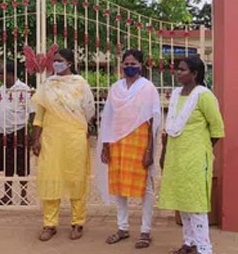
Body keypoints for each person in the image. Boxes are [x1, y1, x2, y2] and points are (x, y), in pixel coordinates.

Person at [159, 56, 224, 254]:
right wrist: (164, 153)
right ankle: (189, 244)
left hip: (195, 158)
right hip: (176, 156)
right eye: (177, 69)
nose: (177, 72)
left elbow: (217, 129)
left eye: (182, 69)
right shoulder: (176, 94)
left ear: (194, 74)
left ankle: (204, 249)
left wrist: (201, 149)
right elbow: (171, 127)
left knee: (196, 204)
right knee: (182, 201)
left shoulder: (204, 96)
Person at [97, 49, 161, 249]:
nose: (129, 67)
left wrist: (150, 150)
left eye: (133, 64)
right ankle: (122, 227)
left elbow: (153, 120)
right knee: (119, 186)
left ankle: (145, 231)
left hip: (140, 141)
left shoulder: (148, 88)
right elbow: (108, 117)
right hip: (117, 141)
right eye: (126, 64)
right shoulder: (115, 88)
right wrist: (105, 145)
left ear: (141, 65)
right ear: (121, 65)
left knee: (145, 187)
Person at [31, 48, 95, 242]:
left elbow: (89, 111)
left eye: (59, 60)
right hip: (51, 139)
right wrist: (36, 139)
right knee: (50, 179)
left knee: (77, 180)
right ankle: (49, 224)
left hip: (74, 138)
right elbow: (39, 115)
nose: (56, 63)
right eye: (54, 60)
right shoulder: (47, 85)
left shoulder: (80, 83)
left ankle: (78, 222)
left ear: (69, 63)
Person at [0, 62, 35, 205]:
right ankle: (7, 196)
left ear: (11, 74)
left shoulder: (23, 89)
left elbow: (32, 112)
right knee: (7, 165)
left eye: (2, 73)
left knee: (22, 164)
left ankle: (23, 196)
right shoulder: (0, 89)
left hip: (18, 131)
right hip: (3, 132)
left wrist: (31, 132)